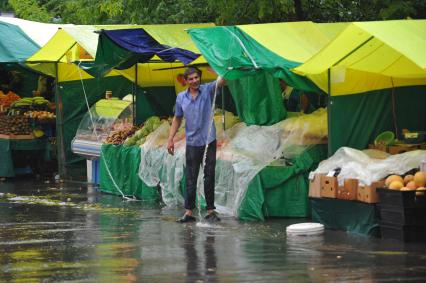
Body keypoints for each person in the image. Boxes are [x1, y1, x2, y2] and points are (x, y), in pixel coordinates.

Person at [167, 67, 225, 223]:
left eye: (196, 77)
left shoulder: (207, 90)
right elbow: (177, 118)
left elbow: (223, 80)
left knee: (209, 175)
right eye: (191, 79)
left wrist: (215, 69)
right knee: (191, 177)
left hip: (208, 140)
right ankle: (189, 212)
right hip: (192, 142)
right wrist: (170, 138)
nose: (195, 81)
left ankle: (211, 210)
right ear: (185, 81)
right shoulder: (181, 98)